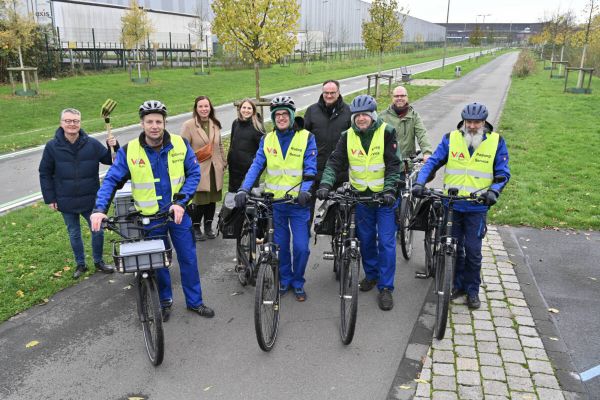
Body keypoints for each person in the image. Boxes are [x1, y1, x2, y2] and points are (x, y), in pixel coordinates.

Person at [91, 100, 214, 320]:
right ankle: (164, 302)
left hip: (178, 215)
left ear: (165, 123)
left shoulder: (180, 144)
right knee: (159, 263)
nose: (154, 126)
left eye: (159, 121)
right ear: (142, 124)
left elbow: (194, 173)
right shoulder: (130, 151)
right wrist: (100, 208)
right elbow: (111, 180)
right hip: (149, 219)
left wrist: (181, 201)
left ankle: (195, 302)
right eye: (150, 121)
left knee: (188, 259)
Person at [411, 102, 510, 309]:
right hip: (452, 205)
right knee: (452, 248)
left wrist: (493, 191)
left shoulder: (496, 142)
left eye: (477, 122)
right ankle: (454, 285)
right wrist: (420, 182)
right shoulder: (451, 139)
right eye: (469, 122)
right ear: (464, 122)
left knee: (473, 251)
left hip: (476, 206)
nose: (472, 126)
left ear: (484, 122)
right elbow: (433, 162)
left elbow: (502, 173)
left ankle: (472, 290)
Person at [316, 95, 401, 311]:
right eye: (357, 115)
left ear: (372, 115)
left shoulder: (386, 132)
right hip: (361, 198)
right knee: (365, 239)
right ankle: (371, 276)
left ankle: (386, 287)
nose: (361, 119)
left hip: (384, 198)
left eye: (365, 115)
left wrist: (390, 190)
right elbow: (335, 161)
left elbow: (394, 165)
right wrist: (326, 184)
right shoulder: (348, 136)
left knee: (386, 242)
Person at [234, 96, 317, 302]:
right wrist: (244, 188)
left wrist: (305, 191)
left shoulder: (306, 137)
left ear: (291, 115)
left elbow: (310, 168)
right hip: (275, 205)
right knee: (279, 246)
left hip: (298, 203)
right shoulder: (267, 139)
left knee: (301, 248)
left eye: (284, 114)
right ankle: (285, 279)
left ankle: (298, 281)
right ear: (273, 117)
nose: (281, 118)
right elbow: (256, 166)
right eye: (277, 115)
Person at [39, 108, 117, 279]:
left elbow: (111, 160)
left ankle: (99, 262)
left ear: (80, 123)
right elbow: (44, 173)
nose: (72, 124)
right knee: (74, 233)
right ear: (61, 123)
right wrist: (50, 198)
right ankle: (80, 264)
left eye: (75, 121)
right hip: (65, 199)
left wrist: (114, 146)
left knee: (98, 230)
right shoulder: (52, 147)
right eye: (68, 121)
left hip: (90, 198)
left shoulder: (91, 143)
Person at [303, 80, 351, 225]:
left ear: (338, 93)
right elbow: (302, 138)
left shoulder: (349, 112)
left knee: (337, 211)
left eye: (332, 93)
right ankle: (305, 236)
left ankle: (336, 239)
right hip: (314, 170)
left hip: (338, 171)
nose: (329, 96)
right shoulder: (311, 111)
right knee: (306, 209)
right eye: (326, 93)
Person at [181, 96, 227, 241]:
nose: (204, 109)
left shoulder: (215, 124)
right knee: (200, 200)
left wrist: (223, 161)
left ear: (210, 107)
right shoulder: (189, 125)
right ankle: (195, 228)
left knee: (212, 200)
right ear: (196, 108)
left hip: (215, 168)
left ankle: (208, 227)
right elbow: (183, 147)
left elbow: (219, 145)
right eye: (200, 106)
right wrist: (188, 166)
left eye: (206, 106)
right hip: (199, 169)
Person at [380, 85, 432, 165]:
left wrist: (427, 153)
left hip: (408, 162)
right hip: (388, 161)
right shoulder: (382, 117)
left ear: (407, 97)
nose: (399, 98)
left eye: (402, 96)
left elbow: (422, 134)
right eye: (396, 96)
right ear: (392, 98)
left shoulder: (414, 116)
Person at [227, 98, 264, 192]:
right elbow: (232, 144)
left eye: (249, 108)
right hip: (234, 169)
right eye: (244, 107)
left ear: (253, 110)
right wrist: (229, 159)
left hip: (249, 171)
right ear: (240, 109)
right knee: (233, 198)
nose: (246, 110)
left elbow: (262, 151)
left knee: (247, 200)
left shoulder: (257, 127)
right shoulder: (235, 123)